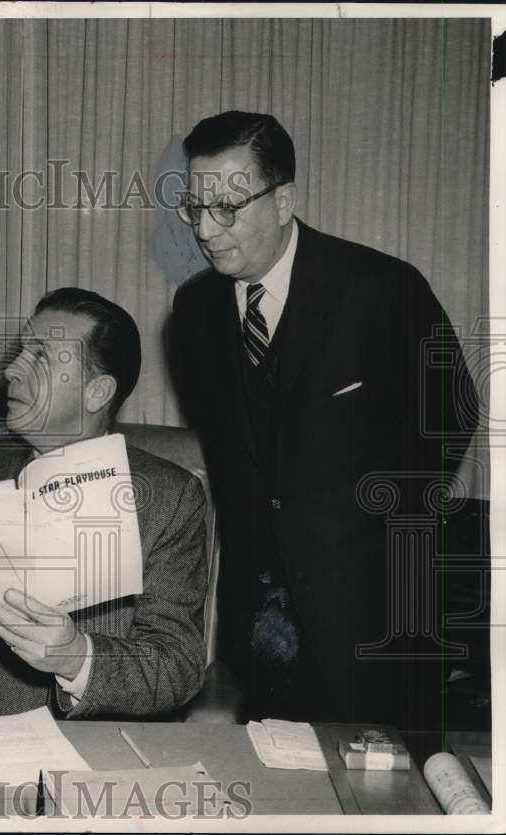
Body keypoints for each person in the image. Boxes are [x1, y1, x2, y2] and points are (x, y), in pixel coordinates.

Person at [168, 111, 477, 727]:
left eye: (227, 206)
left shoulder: (384, 289)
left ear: (283, 201)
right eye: (194, 207)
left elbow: (452, 414)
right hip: (255, 622)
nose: (205, 229)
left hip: (373, 616)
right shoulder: (194, 309)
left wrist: (372, 534)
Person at [0, 288, 208, 718]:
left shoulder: (170, 499)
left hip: (104, 752)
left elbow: (177, 667)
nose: (13, 371)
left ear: (97, 393)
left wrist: (77, 656)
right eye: (21, 351)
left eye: (41, 357)